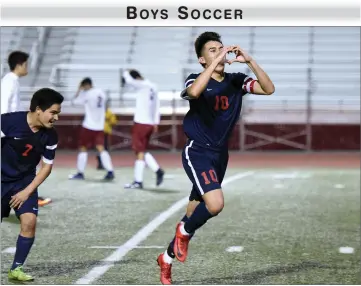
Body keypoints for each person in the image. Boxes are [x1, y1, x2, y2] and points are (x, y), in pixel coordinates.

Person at [156, 31, 275, 284]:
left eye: (222, 48)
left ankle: (165, 259)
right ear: (201, 59)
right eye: (213, 50)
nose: (221, 52)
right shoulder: (195, 78)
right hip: (198, 151)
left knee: (192, 215)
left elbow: (268, 89)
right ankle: (183, 232)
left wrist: (250, 60)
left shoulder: (235, 81)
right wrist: (213, 64)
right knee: (215, 205)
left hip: (220, 156)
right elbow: (194, 93)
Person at [1, 88, 64, 281]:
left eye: (58, 113)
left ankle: (16, 269)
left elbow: (46, 167)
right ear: (38, 109)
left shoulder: (51, 135)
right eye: (53, 112)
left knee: (29, 222)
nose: (56, 118)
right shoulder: (8, 121)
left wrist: (27, 191)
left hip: (24, 181)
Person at [1, 50, 52, 207]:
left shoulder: (12, 80)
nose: (27, 68)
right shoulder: (9, 81)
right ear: (19, 65)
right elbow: (3, 106)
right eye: (26, 64)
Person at [122, 69, 165, 189]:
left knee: (139, 152)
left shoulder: (141, 85)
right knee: (141, 150)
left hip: (141, 122)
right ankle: (157, 171)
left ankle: (138, 181)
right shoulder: (153, 86)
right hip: (150, 123)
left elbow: (129, 80)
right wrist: (156, 122)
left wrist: (126, 72)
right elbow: (157, 106)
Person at [69, 78, 115, 181]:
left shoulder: (87, 94)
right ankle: (110, 171)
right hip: (100, 125)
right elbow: (106, 106)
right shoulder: (101, 93)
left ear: (86, 85)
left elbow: (74, 102)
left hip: (89, 125)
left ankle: (80, 173)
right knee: (101, 148)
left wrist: (78, 91)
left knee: (83, 148)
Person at [96, 100, 117, 170]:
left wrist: (109, 120)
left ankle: (104, 163)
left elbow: (114, 121)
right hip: (99, 131)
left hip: (106, 132)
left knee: (105, 148)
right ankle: (100, 163)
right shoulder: (99, 112)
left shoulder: (109, 113)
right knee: (100, 148)